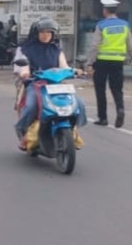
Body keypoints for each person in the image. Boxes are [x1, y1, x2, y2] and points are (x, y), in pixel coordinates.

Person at [13, 17, 86, 150]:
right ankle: (22, 131)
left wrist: (76, 71)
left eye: (49, 32)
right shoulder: (25, 49)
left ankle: (73, 131)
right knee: (31, 106)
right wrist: (25, 73)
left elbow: (64, 67)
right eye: (43, 32)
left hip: (56, 85)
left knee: (79, 103)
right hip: (35, 84)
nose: (46, 35)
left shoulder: (56, 49)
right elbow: (22, 66)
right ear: (36, 33)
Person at [86, 0, 132, 128]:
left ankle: (103, 118)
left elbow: (95, 46)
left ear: (105, 10)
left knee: (100, 89)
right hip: (118, 62)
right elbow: (130, 46)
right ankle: (120, 110)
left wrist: (89, 63)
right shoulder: (124, 25)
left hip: (102, 61)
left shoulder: (101, 25)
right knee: (117, 89)